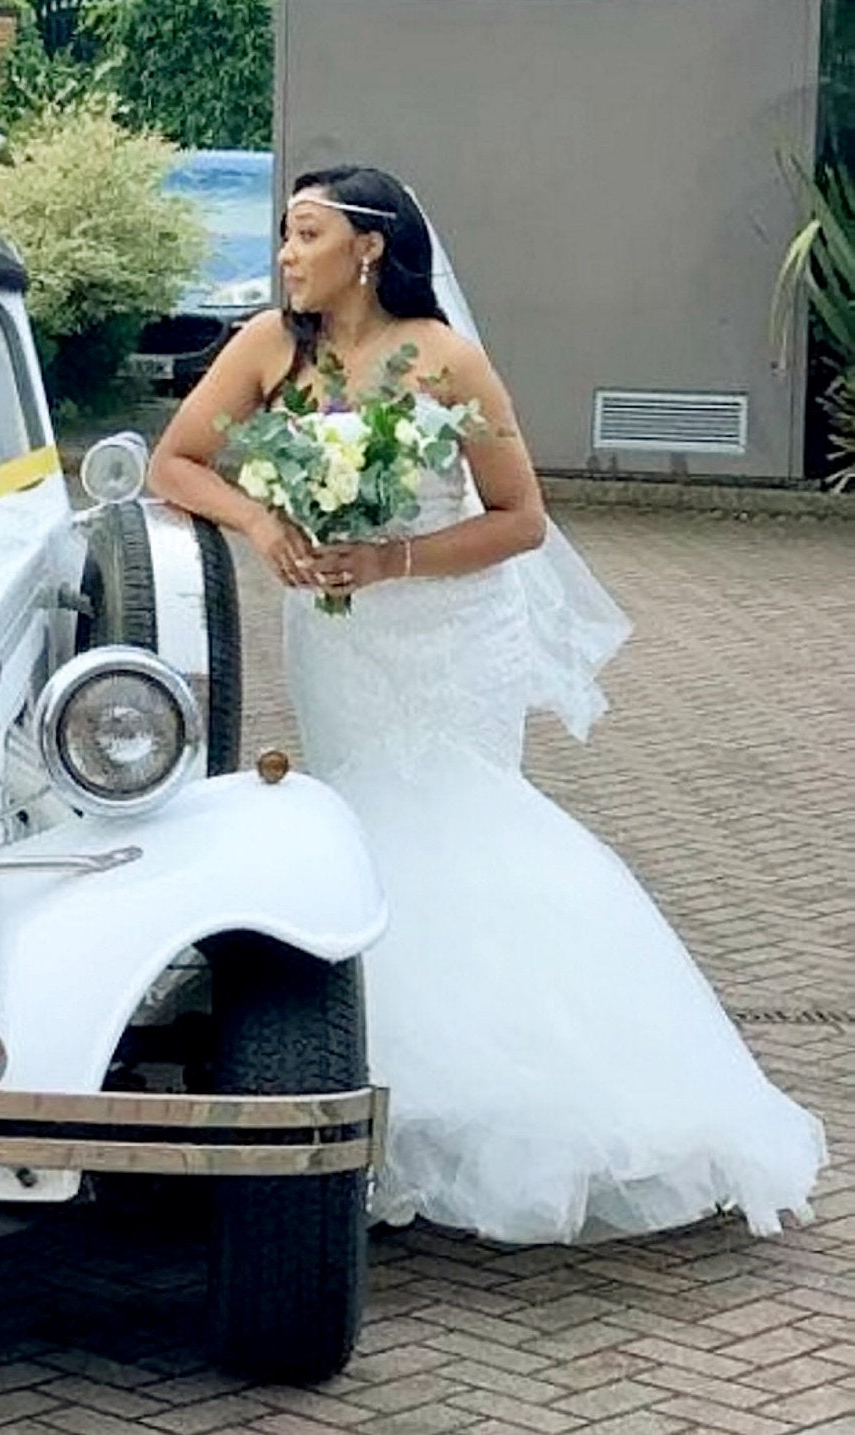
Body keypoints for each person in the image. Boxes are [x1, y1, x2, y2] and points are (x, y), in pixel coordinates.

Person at [147, 164, 826, 1243]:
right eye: (283, 234)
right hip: (335, 638)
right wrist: (264, 526)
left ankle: (504, 1108)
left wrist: (392, 558)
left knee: (460, 823)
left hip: (446, 631)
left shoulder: (444, 359)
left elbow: (517, 518)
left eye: (304, 233)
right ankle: (386, 1106)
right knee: (360, 829)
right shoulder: (270, 347)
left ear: (367, 247)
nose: (284, 253)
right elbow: (175, 461)